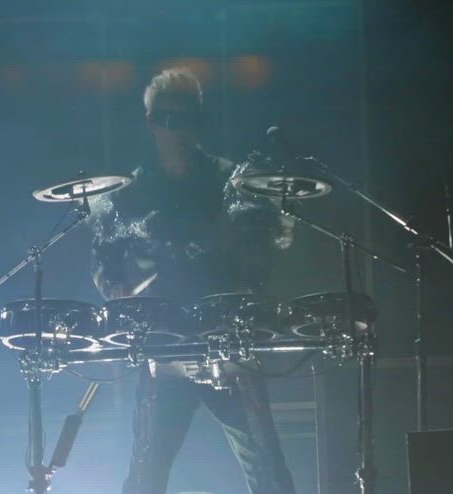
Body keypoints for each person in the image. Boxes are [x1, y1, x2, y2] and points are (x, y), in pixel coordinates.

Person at [89, 68, 297, 494]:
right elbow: (105, 257)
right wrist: (114, 286)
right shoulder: (130, 192)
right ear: (151, 122)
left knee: (267, 468)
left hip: (228, 338)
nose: (180, 130)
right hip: (163, 344)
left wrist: (250, 274)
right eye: (170, 119)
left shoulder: (230, 181)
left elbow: (262, 252)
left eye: (189, 119)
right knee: (146, 471)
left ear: (200, 121)